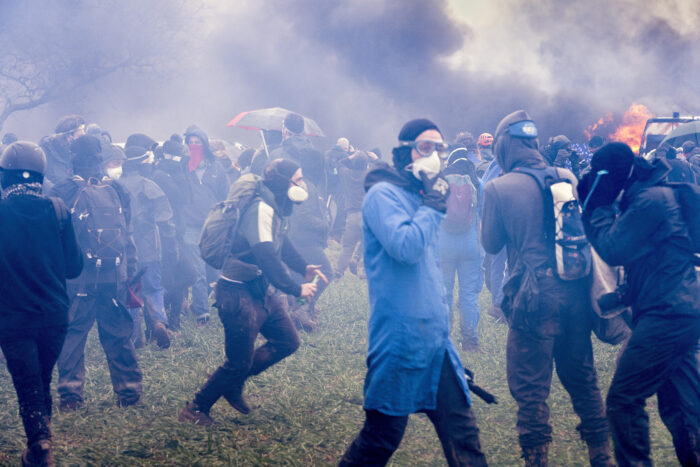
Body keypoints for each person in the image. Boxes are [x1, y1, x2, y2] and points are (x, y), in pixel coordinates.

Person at [339, 119, 487, 467]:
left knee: (464, 438)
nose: (435, 155)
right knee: (381, 438)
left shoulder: (424, 197)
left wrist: (432, 203)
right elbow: (404, 247)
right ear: (405, 151)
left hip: (437, 343)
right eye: (425, 147)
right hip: (399, 339)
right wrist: (433, 207)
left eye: (440, 148)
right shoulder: (382, 196)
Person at [481, 111, 612, 466]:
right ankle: (603, 456)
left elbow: (491, 244)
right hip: (574, 290)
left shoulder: (498, 187)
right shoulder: (566, 175)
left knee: (530, 388)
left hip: (532, 297)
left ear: (504, 145)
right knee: (583, 378)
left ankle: (536, 459)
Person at [578, 143, 700, 467]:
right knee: (682, 406)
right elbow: (654, 259)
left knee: (623, 400)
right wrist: (626, 295)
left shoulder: (651, 200)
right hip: (679, 311)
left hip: (668, 315)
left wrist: (596, 206)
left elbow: (613, 249)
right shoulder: (647, 195)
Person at [179, 158, 326, 426]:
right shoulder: (260, 208)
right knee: (237, 362)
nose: (303, 184)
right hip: (237, 293)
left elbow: (282, 243)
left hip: (260, 290)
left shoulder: (276, 207)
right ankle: (196, 408)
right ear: (284, 182)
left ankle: (233, 384)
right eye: (298, 179)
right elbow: (267, 256)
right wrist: (296, 288)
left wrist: (303, 267)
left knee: (287, 342)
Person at [0, 142, 83, 467]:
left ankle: (41, 446)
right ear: (41, 175)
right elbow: (73, 267)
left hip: (12, 317)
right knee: (41, 381)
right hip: (54, 316)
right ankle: (37, 452)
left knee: (28, 386)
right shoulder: (59, 210)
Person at [50, 135, 143, 410]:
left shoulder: (62, 191)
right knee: (117, 333)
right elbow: (128, 235)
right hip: (113, 277)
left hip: (77, 279)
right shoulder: (117, 190)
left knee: (73, 334)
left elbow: (52, 236)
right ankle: (129, 392)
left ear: (72, 158)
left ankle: (71, 395)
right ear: (99, 157)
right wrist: (130, 271)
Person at [118, 145, 175, 349]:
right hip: (150, 246)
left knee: (131, 292)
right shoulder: (148, 185)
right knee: (154, 287)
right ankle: (159, 322)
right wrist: (170, 244)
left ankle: (135, 338)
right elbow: (165, 218)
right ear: (142, 163)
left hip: (125, 250)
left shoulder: (114, 185)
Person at [181, 125, 230, 326]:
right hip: (190, 226)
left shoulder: (216, 167)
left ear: (205, 144)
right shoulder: (182, 166)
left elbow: (225, 195)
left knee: (214, 271)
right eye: (191, 142)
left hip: (212, 225)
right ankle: (202, 314)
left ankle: (219, 306)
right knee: (198, 271)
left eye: (198, 142)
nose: (194, 145)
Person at [439, 148, 484, 351]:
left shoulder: (439, 182)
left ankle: (442, 339)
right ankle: (470, 341)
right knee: (468, 295)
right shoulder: (477, 183)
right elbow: (482, 214)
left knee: (444, 293)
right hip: (470, 245)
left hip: (444, 246)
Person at [287, 148, 333, 331]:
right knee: (327, 272)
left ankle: (301, 308)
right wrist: (324, 223)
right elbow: (302, 215)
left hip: (301, 239)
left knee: (302, 277)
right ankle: (301, 308)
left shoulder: (309, 184)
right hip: (304, 239)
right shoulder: (303, 185)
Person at [334, 150, 370, 279]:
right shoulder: (369, 175)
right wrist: (374, 159)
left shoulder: (345, 174)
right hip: (367, 215)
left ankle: (338, 272)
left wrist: (351, 156)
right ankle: (365, 272)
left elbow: (339, 163)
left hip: (351, 215)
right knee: (369, 243)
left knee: (348, 246)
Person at [40, 115, 86, 185]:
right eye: (80, 137)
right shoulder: (43, 155)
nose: (83, 140)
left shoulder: (79, 155)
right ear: (69, 137)